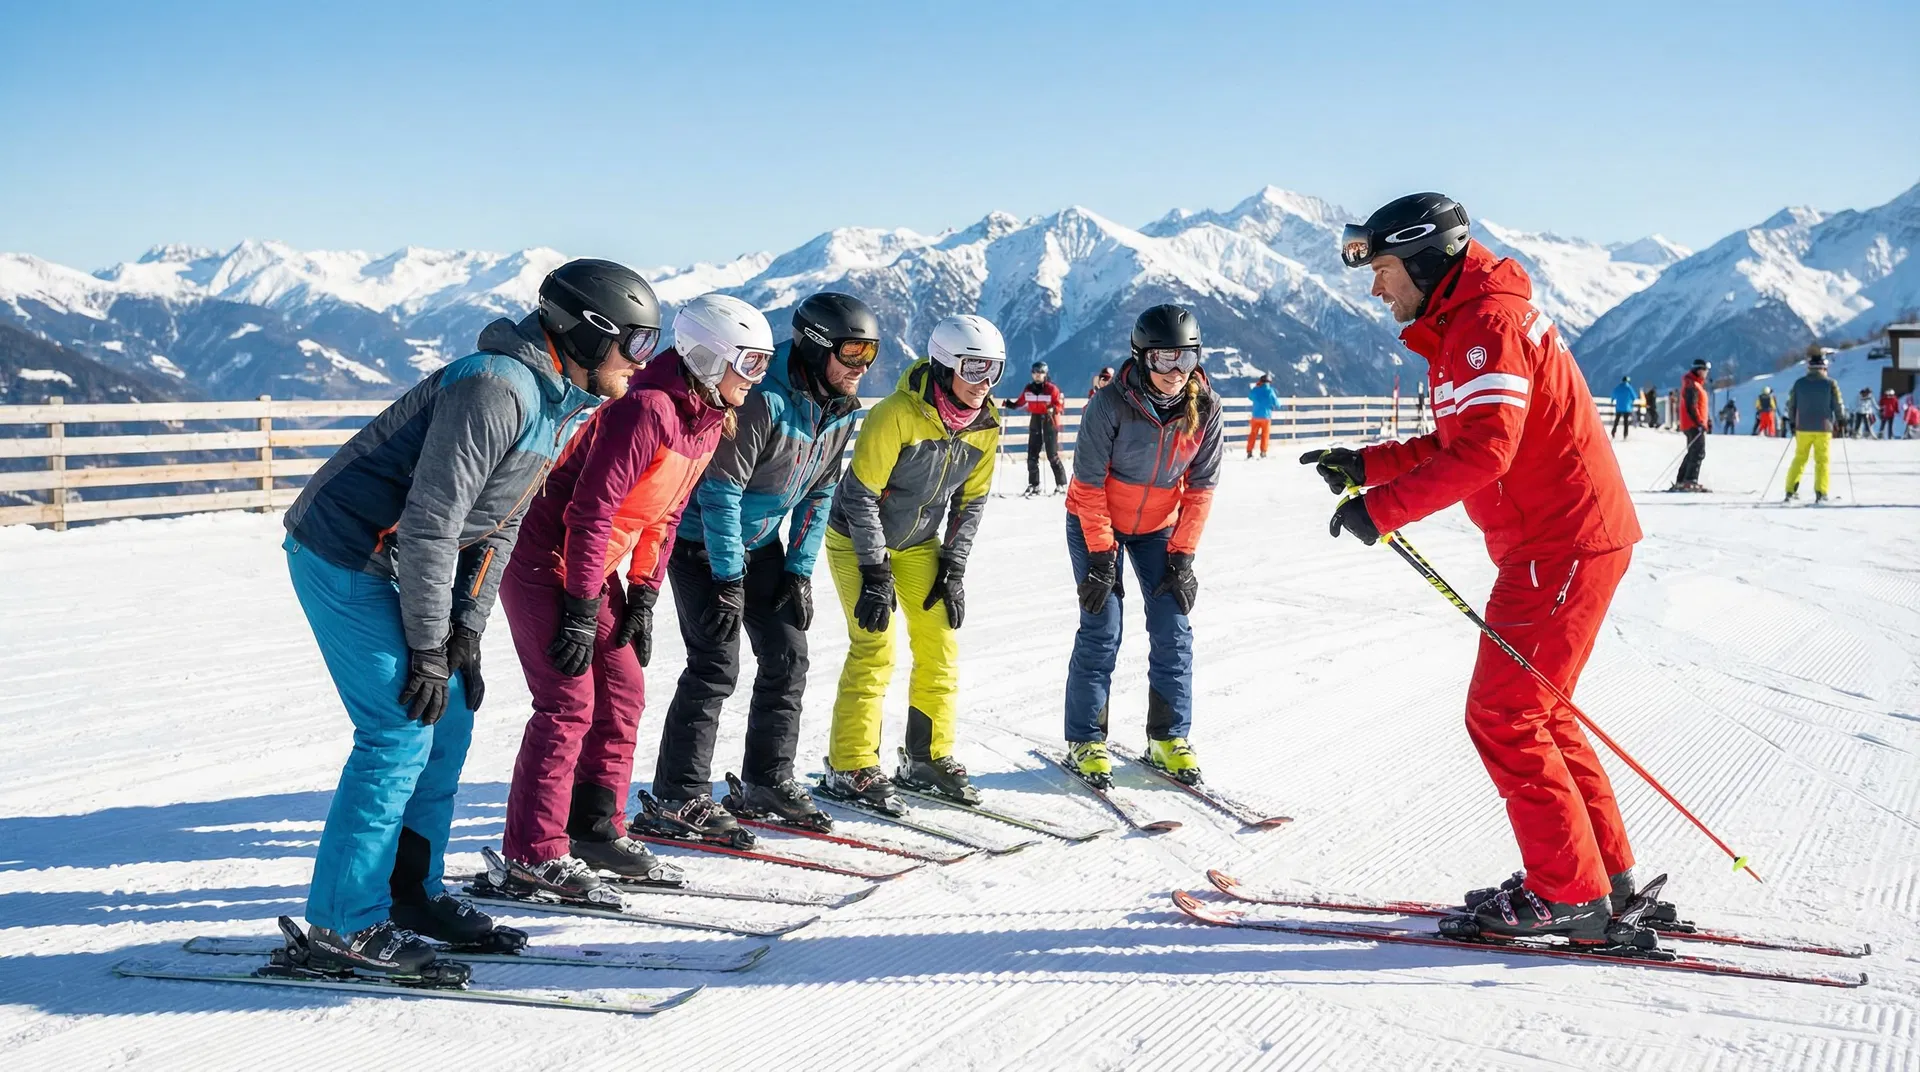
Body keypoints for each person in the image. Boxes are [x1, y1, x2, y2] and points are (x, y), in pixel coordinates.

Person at [277, 257, 644, 975]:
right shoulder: (496, 387)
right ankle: (342, 924)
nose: (641, 364)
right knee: (397, 727)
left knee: (450, 721)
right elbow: (431, 525)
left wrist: (465, 631)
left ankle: (410, 893)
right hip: (342, 550)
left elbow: (498, 524)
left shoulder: (558, 401)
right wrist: (425, 647)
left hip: (400, 557)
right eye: (636, 344)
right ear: (589, 332)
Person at [1310, 192, 1643, 942]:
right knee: (1540, 712)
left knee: (1506, 714)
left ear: (1427, 260)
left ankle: (1569, 897)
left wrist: (1383, 509)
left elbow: (1487, 451)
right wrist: (1369, 463)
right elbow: (1465, 437)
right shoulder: (1475, 318)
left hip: (1558, 544)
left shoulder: (1484, 325)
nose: (1377, 288)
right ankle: (1599, 879)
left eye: (1386, 269)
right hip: (1564, 538)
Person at [499, 293, 764, 896]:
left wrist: (643, 593)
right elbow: (590, 512)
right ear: (706, 357)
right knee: (568, 703)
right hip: (546, 555)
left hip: (597, 566)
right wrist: (581, 605)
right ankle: (532, 853)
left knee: (622, 693)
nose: (756, 378)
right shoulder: (646, 409)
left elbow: (663, 517)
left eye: (762, 363)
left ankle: (594, 828)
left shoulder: (705, 419)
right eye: (747, 363)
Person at [645, 293, 871, 839]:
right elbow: (721, 495)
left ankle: (767, 780)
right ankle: (680, 794)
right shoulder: (764, 401)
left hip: (762, 545)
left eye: (871, 355)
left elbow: (821, 494)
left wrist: (798, 570)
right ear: (817, 349)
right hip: (703, 544)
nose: (861, 368)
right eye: (852, 353)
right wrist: (728, 581)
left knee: (788, 656)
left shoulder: (838, 411)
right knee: (715, 665)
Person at [819, 314, 1004, 811]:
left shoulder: (986, 425)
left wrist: (955, 565)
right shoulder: (896, 414)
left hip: (919, 544)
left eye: (994, 371)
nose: (984, 383)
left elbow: (972, 501)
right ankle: (850, 765)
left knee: (940, 644)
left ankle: (926, 758)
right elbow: (860, 498)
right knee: (875, 649)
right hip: (857, 541)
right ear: (944, 367)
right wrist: (875, 573)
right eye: (973, 369)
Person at [1065, 305, 1223, 787]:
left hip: (1159, 529)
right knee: (1102, 627)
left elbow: (1200, 489)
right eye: (1162, 360)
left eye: (1185, 360)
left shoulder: (1207, 411)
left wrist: (1183, 557)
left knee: (1173, 628)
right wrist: (1098, 558)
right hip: (1097, 522)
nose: (1174, 373)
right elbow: (1088, 484)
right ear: (1141, 358)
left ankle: (1168, 736)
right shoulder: (1109, 405)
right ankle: (1086, 740)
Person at [1784, 351, 1846, 503]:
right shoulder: (1831, 384)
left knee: (1800, 458)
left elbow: (1791, 405)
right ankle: (1821, 492)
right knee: (1822, 460)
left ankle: (1790, 491)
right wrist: (1841, 419)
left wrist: (1792, 422)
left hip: (1802, 427)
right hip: (1823, 427)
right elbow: (1837, 404)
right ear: (1824, 367)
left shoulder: (1799, 383)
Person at [1004, 360, 1068, 496]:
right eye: (1035, 372)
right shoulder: (1029, 389)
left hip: (1049, 421)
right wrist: (1010, 405)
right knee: (1032, 455)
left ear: (1045, 374)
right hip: (1035, 419)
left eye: (1041, 372)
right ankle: (1034, 484)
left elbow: (1060, 405)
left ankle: (1061, 484)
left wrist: (1053, 408)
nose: (1038, 375)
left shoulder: (1052, 389)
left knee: (1052, 455)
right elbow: (1020, 402)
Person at [1672, 359, 1710, 492]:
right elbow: (1691, 406)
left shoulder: (1694, 384)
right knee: (1698, 452)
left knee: (1693, 452)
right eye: (1705, 370)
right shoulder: (1692, 385)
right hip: (1693, 424)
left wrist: (1705, 420)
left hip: (1692, 423)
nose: (1706, 373)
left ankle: (1683, 480)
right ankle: (1690, 480)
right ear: (1698, 370)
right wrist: (1699, 422)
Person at [1247, 373, 1280, 458]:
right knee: (1265, 435)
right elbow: (1277, 404)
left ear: (1260, 381)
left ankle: (1249, 452)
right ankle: (1263, 452)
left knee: (1253, 434)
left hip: (1255, 416)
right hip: (1266, 417)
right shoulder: (1270, 391)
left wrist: (1256, 387)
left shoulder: (1256, 390)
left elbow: (1250, 397)